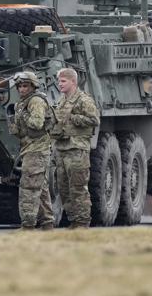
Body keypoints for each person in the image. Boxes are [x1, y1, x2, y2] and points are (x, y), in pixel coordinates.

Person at [51, 67, 100, 229]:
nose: (60, 84)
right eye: (59, 81)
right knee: (64, 188)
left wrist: (72, 118)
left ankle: (82, 221)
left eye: (63, 81)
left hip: (77, 149)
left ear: (73, 82)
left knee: (78, 187)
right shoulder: (61, 100)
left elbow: (94, 119)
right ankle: (73, 219)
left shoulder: (83, 100)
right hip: (61, 148)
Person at [8, 71, 55, 231]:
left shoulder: (35, 101)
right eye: (20, 86)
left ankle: (28, 226)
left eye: (25, 86)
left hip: (37, 150)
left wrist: (24, 115)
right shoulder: (23, 103)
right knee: (40, 188)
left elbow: (36, 123)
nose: (22, 89)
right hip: (30, 148)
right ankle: (47, 223)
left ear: (33, 86)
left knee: (28, 187)